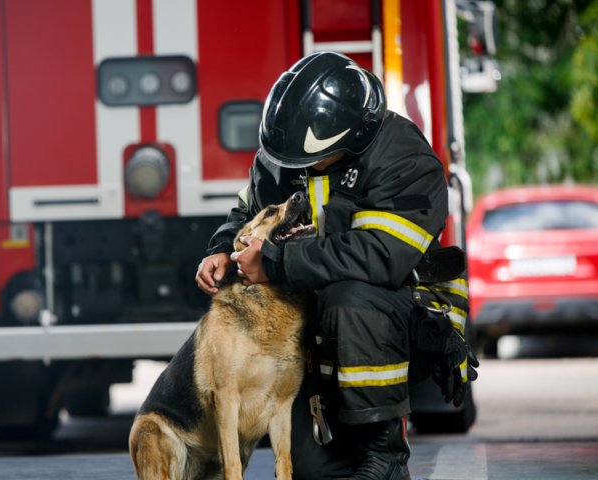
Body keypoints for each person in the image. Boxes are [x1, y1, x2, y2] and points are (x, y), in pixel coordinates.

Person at [195, 51, 474, 480]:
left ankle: (385, 456)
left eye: (311, 159)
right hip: (316, 314)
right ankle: (348, 446)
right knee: (314, 472)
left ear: (351, 136)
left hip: (401, 312)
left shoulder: (403, 157)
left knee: (352, 298)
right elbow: (247, 211)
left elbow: (379, 256)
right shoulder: (287, 153)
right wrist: (221, 249)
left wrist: (273, 262)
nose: (298, 169)